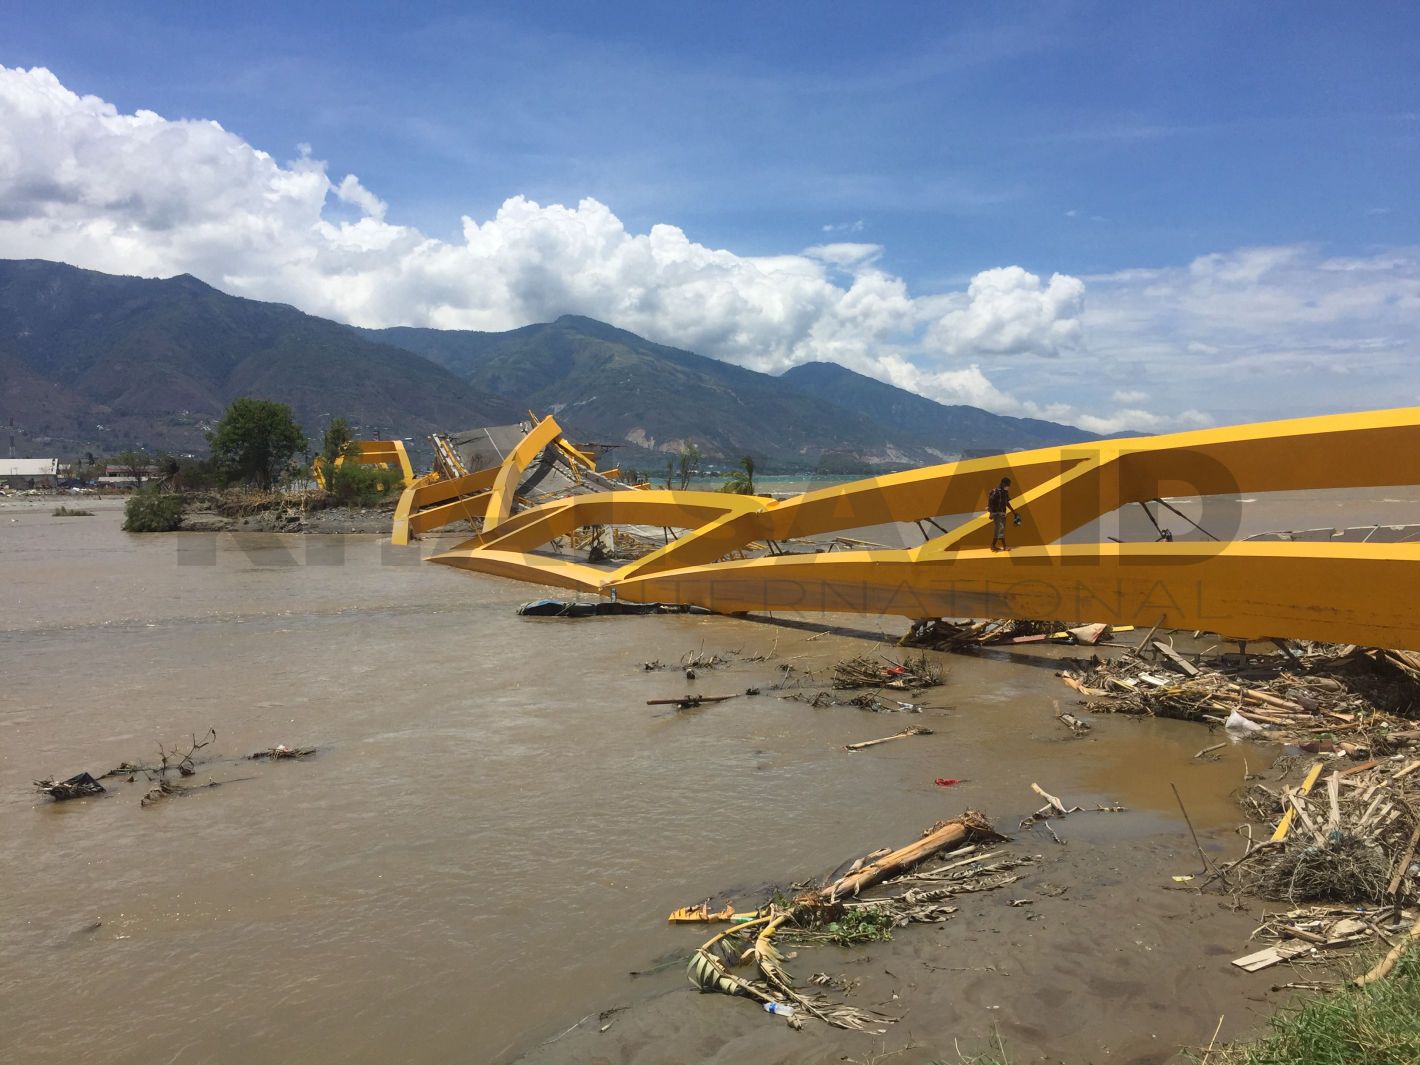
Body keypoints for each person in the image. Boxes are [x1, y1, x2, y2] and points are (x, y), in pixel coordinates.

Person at [987, 476, 1020, 551]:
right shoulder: (995, 491)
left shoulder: (1005, 492)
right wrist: (991, 513)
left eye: (1008, 485)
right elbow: (990, 503)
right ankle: (1004, 546)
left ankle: (993, 545)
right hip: (996, 513)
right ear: (1002, 483)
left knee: (998, 529)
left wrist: (1013, 511)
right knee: (1000, 528)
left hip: (1003, 513)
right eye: (1007, 485)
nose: (1008, 486)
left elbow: (1007, 502)